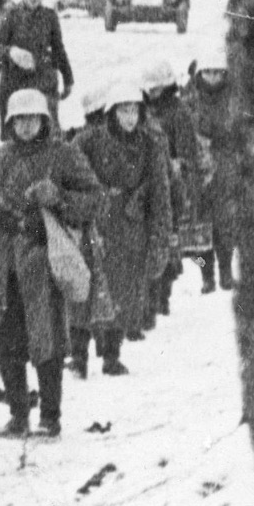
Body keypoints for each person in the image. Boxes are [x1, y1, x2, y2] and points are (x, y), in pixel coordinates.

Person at [0, 88, 103, 438]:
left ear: (44, 121)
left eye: (32, 119)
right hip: (7, 263)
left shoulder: (63, 154)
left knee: (47, 341)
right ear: (9, 123)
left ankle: (50, 417)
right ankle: (18, 415)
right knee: (7, 340)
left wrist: (60, 200)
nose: (25, 126)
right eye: (19, 120)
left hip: (44, 259)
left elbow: (94, 198)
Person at [66, 82, 170, 378]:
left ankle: (112, 356)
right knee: (85, 289)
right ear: (111, 112)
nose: (129, 118)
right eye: (123, 110)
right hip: (94, 224)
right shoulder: (88, 141)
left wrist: (160, 235)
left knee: (124, 291)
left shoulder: (150, 145)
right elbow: (67, 172)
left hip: (129, 225)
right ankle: (78, 357)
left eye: (134, 110)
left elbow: (160, 193)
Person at [141, 60, 200, 322]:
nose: (153, 93)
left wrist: (176, 168)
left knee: (168, 243)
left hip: (172, 182)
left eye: (157, 88)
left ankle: (163, 295)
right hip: (149, 183)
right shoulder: (143, 110)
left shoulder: (179, 112)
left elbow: (187, 152)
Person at [0, 0, 74, 127]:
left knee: (48, 128)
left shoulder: (50, 16)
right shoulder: (10, 15)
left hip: (43, 79)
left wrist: (68, 79)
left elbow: (59, 49)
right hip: (15, 81)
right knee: (16, 128)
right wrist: (12, 52)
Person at [188, 49, 238, 292]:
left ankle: (226, 272)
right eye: (207, 72)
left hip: (225, 169)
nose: (212, 77)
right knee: (198, 230)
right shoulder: (190, 99)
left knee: (225, 226)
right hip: (198, 170)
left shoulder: (234, 99)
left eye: (217, 72)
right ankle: (205, 276)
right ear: (200, 73)